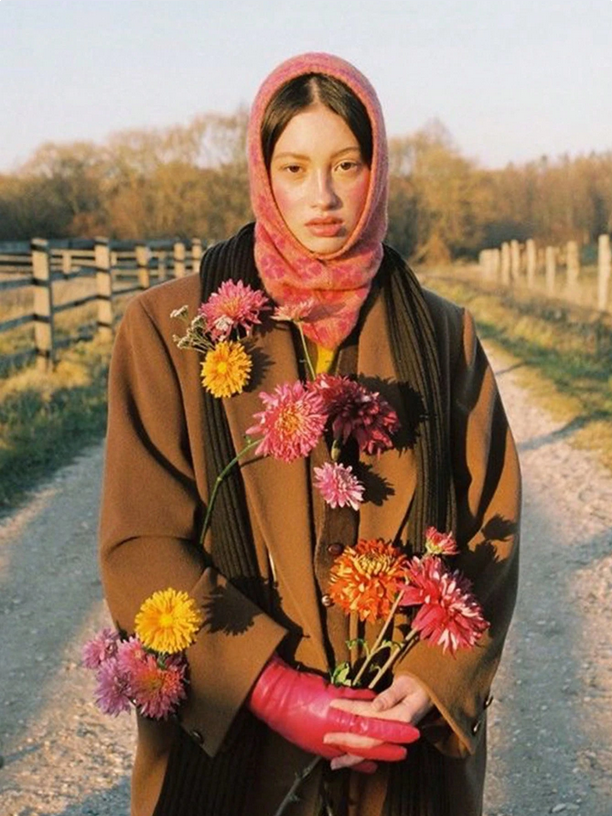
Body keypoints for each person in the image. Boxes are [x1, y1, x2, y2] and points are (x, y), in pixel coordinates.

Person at [99, 52, 521, 816]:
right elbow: (141, 543)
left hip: (394, 754)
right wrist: (268, 686)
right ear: (263, 174)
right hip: (235, 753)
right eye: (294, 168)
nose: (322, 197)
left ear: (377, 170)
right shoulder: (168, 331)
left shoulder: (443, 336)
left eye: (346, 165)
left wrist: (431, 678)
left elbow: (491, 528)